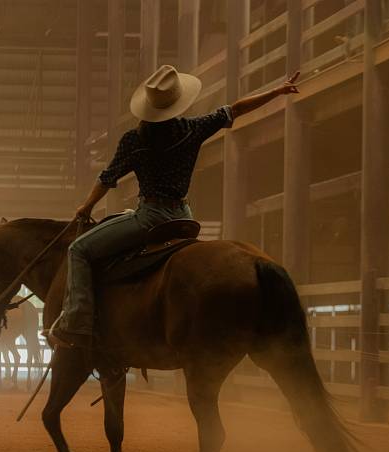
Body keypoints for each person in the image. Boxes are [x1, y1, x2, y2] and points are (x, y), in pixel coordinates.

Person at [47, 64, 300, 348]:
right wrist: (278, 91)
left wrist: (87, 206)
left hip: (150, 218)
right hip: (183, 216)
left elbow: (108, 178)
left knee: (78, 249)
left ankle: (77, 320)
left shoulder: (135, 140)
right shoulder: (192, 129)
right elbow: (237, 109)